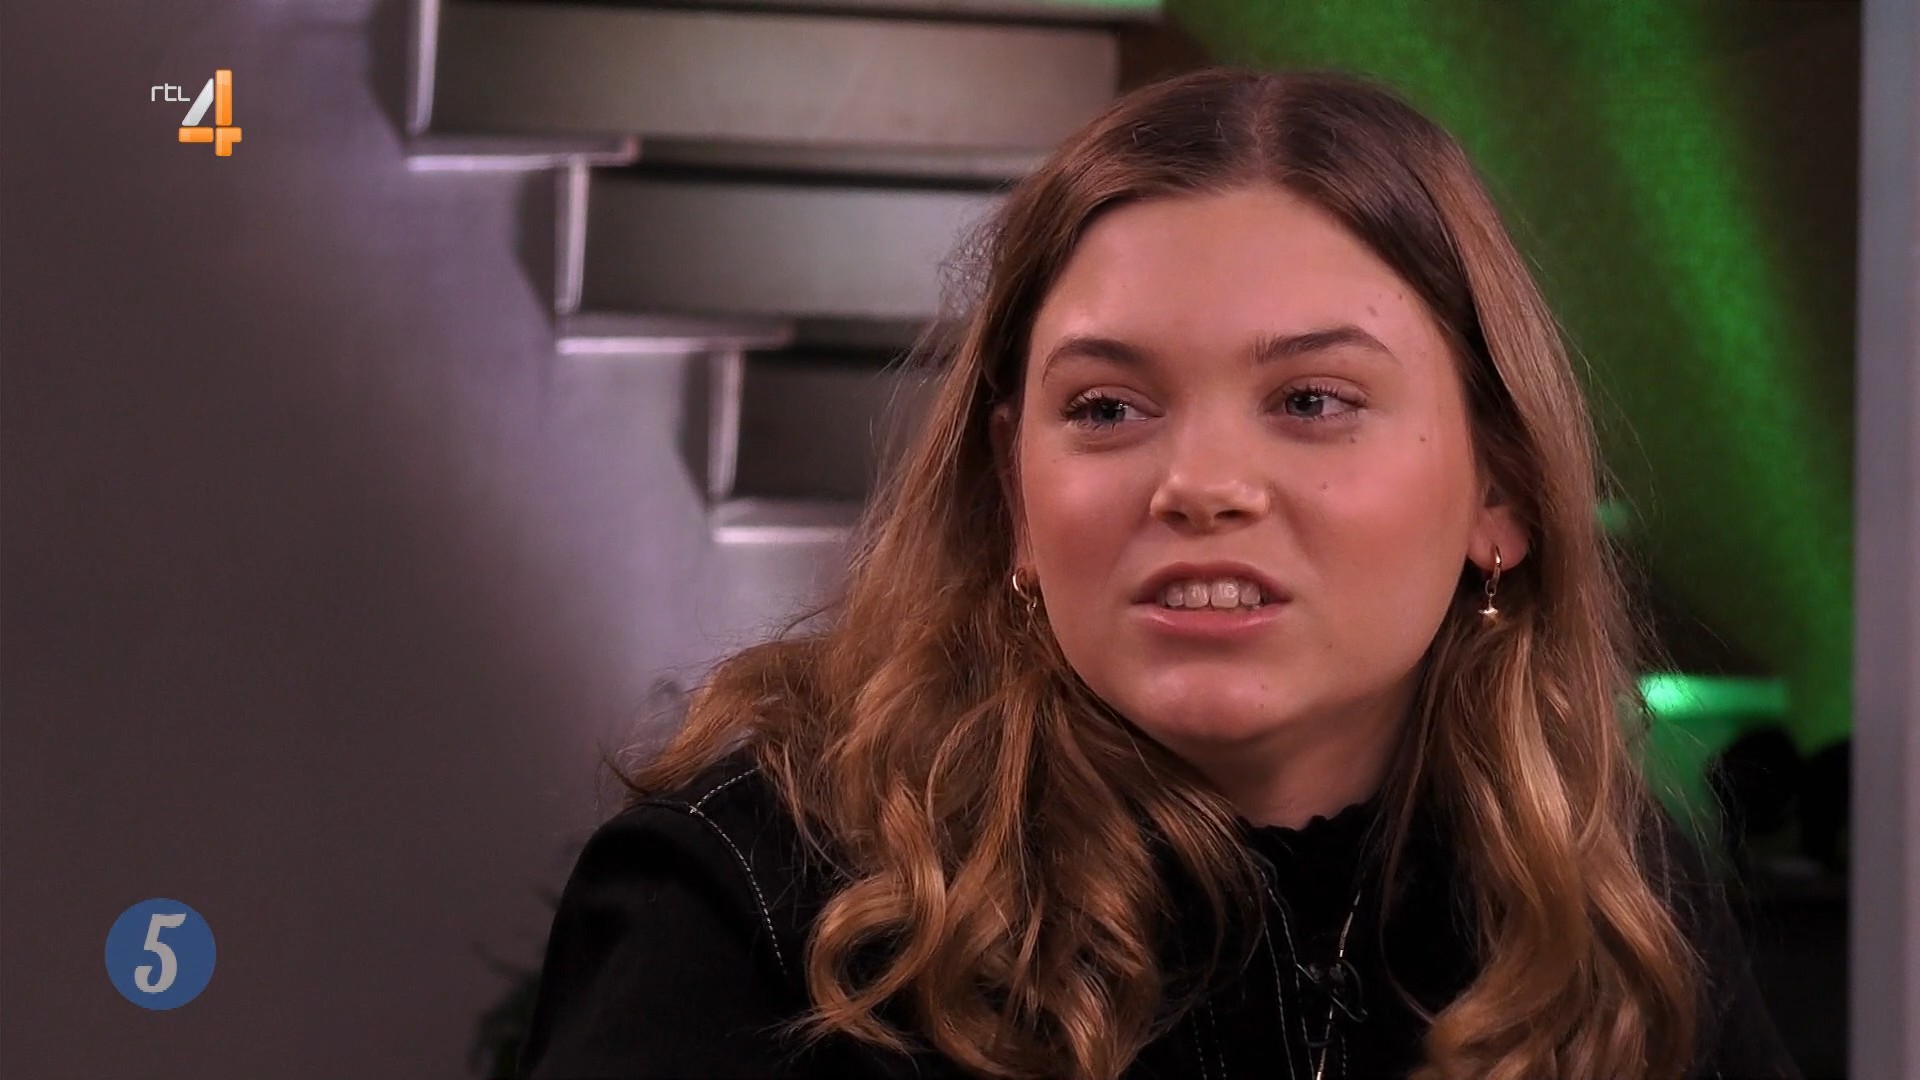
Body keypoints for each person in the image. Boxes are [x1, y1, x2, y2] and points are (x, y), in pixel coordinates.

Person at [515, 68, 1802, 1080]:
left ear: (1500, 493)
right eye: (1108, 409)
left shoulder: (1615, 902)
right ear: (1016, 498)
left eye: (1311, 399)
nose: (1200, 484)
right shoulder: (750, 898)